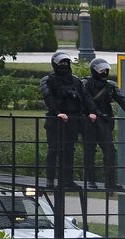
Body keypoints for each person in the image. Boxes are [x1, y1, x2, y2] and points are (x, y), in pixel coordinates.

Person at [82, 58, 125, 191]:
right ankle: (90, 181)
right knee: (89, 152)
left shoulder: (110, 86)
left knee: (110, 152)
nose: (104, 73)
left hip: (105, 123)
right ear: (94, 70)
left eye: (106, 70)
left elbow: (121, 101)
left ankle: (110, 182)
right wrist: (93, 113)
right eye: (101, 70)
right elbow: (85, 101)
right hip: (90, 122)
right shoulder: (86, 84)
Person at [40, 51, 97, 189]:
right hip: (56, 120)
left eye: (66, 62)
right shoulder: (48, 80)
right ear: (55, 64)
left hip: (73, 120)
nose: (64, 65)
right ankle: (50, 180)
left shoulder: (76, 81)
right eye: (61, 63)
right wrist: (57, 113)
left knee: (69, 150)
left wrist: (92, 112)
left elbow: (86, 97)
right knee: (54, 149)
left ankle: (68, 180)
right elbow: (48, 97)